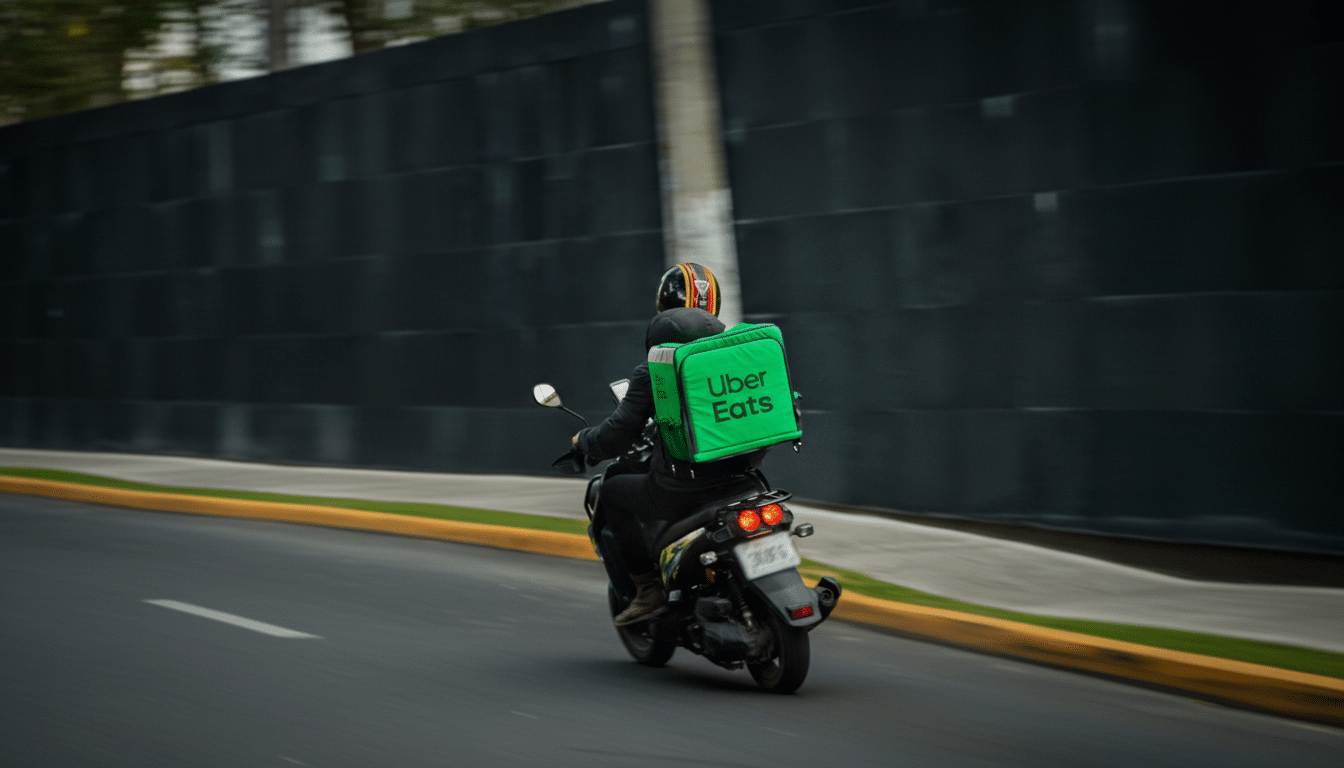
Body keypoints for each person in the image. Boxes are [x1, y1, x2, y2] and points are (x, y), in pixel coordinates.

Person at [572, 264, 766, 626]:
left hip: (684, 489)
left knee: (612, 489)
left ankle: (648, 590)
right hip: (745, 480)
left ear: (663, 308)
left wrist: (584, 441)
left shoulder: (656, 369)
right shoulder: (740, 359)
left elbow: (618, 434)